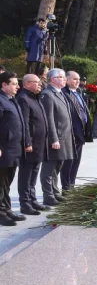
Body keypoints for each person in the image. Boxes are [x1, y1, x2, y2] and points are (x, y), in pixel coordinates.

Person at [16, 73, 48, 215]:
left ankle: (32, 199)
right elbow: (24, 123)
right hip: (30, 144)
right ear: (27, 84)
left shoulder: (35, 97)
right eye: (36, 82)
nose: (39, 84)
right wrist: (27, 142)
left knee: (34, 172)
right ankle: (25, 203)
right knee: (26, 173)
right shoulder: (23, 99)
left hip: (39, 143)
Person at [39, 68, 72, 206]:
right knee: (49, 168)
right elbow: (49, 119)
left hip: (64, 137)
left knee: (57, 166)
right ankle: (48, 195)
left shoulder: (59, 93)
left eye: (64, 77)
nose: (64, 79)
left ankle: (55, 192)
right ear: (52, 79)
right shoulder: (48, 94)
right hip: (56, 138)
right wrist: (54, 139)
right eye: (61, 77)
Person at [0, 72, 27, 225]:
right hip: (4, 150)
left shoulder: (11, 100)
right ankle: (1, 212)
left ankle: (7, 209)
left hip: (14, 148)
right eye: (14, 84)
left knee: (7, 182)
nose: (18, 86)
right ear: (4, 85)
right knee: (1, 182)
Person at [61, 71, 89, 192]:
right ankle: (66, 187)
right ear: (66, 80)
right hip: (71, 133)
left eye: (78, 79)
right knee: (69, 161)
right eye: (74, 79)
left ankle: (71, 184)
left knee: (76, 161)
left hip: (80, 132)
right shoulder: (64, 93)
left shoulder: (78, 92)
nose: (78, 81)